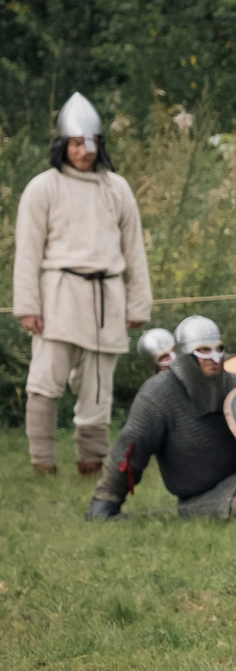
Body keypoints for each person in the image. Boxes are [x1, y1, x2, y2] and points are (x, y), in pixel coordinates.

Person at [14, 92, 152, 476]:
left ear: (99, 144)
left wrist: (138, 304)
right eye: (75, 143)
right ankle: (43, 463)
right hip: (59, 295)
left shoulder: (117, 188)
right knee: (45, 382)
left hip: (108, 296)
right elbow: (28, 252)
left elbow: (134, 251)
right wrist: (28, 306)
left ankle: (91, 463)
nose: (83, 151)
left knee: (97, 388)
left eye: (89, 143)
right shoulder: (43, 187)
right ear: (63, 144)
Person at [89, 315, 236, 519]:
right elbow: (132, 445)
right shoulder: (159, 393)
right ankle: (194, 510)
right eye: (204, 351)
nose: (215, 357)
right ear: (185, 355)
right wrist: (106, 499)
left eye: (219, 349)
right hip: (205, 494)